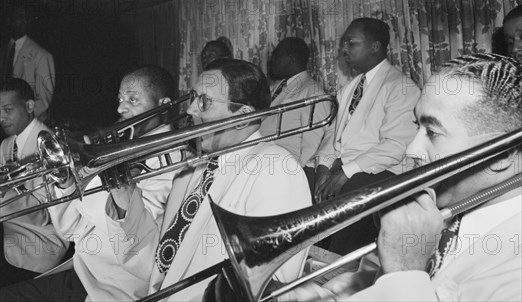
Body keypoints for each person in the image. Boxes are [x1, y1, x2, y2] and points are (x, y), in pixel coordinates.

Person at [204, 53, 522, 302]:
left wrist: (405, 272)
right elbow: (363, 285)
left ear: (502, 154)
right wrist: (306, 297)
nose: (412, 148)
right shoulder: (436, 210)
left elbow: (396, 282)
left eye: (433, 132)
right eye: (416, 127)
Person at [105, 58, 312, 301]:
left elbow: (266, 288)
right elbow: (157, 267)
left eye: (203, 102)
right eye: (193, 97)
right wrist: (124, 199)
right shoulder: (192, 171)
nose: (191, 109)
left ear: (242, 117)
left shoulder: (276, 168)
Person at [0, 65, 180, 301]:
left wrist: (101, 189)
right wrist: (65, 183)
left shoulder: (173, 159)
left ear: (163, 104)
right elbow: (72, 229)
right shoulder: (117, 147)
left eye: (133, 100)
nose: (120, 107)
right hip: (82, 271)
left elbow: (137, 245)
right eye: (120, 98)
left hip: (115, 287)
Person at [314, 18, 420, 254]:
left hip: (382, 171)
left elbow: (395, 146)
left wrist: (345, 172)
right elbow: (334, 135)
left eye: (351, 43)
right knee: (305, 181)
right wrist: (322, 167)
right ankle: (309, 258)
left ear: (375, 46)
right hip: (346, 167)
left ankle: (339, 264)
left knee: (349, 196)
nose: (344, 50)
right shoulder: (348, 89)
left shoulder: (401, 87)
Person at [0, 78, 69, 287]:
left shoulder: (50, 145)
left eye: (7, 109)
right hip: (11, 228)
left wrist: (4, 193)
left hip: (40, 241)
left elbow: (43, 217)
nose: (1, 117)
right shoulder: (6, 144)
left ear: (29, 106)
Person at [260, 37, 332, 189]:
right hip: (265, 162)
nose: (272, 61)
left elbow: (313, 144)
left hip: (285, 171)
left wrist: (294, 175)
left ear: (290, 59)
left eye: (277, 56)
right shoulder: (279, 86)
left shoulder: (312, 92)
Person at [0, 4, 55, 124]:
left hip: (30, 126)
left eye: (26, 17)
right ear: (8, 19)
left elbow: (44, 100)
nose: (24, 21)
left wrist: (20, 118)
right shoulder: (3, 51)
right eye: (19, 16)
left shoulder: (41, 55)